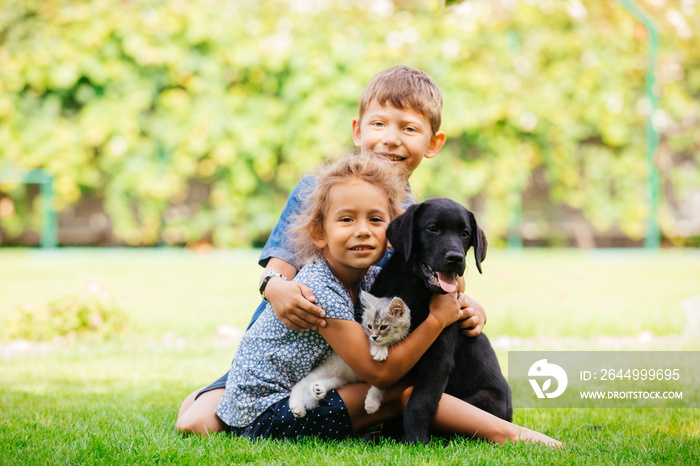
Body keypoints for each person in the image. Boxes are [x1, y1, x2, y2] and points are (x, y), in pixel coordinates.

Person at [177, 66, 487, 434]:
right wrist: (276, 289)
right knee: (196, 423)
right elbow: (277, 270)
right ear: (358, 130)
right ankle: (216, 390)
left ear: (433, 143)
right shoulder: (320, 189)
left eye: (408, 128)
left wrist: (469, 307)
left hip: (359, 352)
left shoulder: (419, 215)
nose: (391, 139)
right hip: (294, 347)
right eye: (379, 125)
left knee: (393, 385)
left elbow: (441, 281)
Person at [199, 155, 561, 446]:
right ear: (319, 234)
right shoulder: (320, 287)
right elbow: (380, 372)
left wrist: (463, 303)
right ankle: (511, 435)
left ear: (391, 233)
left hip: (306, 392)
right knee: (399, 391)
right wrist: (437, 319)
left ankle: (497, 428)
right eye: (346, 219)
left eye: (375, 219)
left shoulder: (371, 278)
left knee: (398, 391)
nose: (362, 230)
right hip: (273, 413)